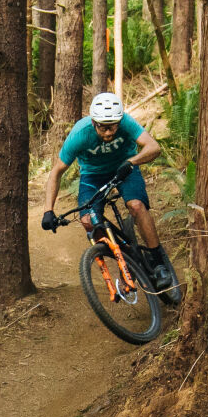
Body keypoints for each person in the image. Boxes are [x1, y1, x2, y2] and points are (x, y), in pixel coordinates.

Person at [40, 92, 175, 290]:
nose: (109, 132)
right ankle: (125, 256)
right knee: (88, 221)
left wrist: (131, 162)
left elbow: (153, 147)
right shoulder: (80, 133)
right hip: (92, 176)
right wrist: (48, 210)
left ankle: (158, 262)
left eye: (113, 126)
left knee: (136, 206)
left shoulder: (126, 122)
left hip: (125, 168)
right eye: (103, 127)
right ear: (94, 122)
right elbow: (56, 171)